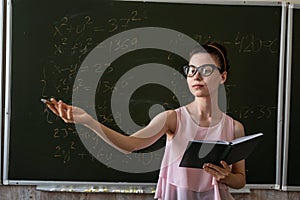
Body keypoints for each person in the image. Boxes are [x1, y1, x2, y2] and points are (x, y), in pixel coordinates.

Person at [46, 42, 246, 200]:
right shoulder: (172, 118)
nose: (196, 76)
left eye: (206, 70)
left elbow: (240, 180)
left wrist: (225, 176)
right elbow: (129, 145)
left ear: (223, 77)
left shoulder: (234, 128)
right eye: (191, 70)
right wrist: (87, 120)